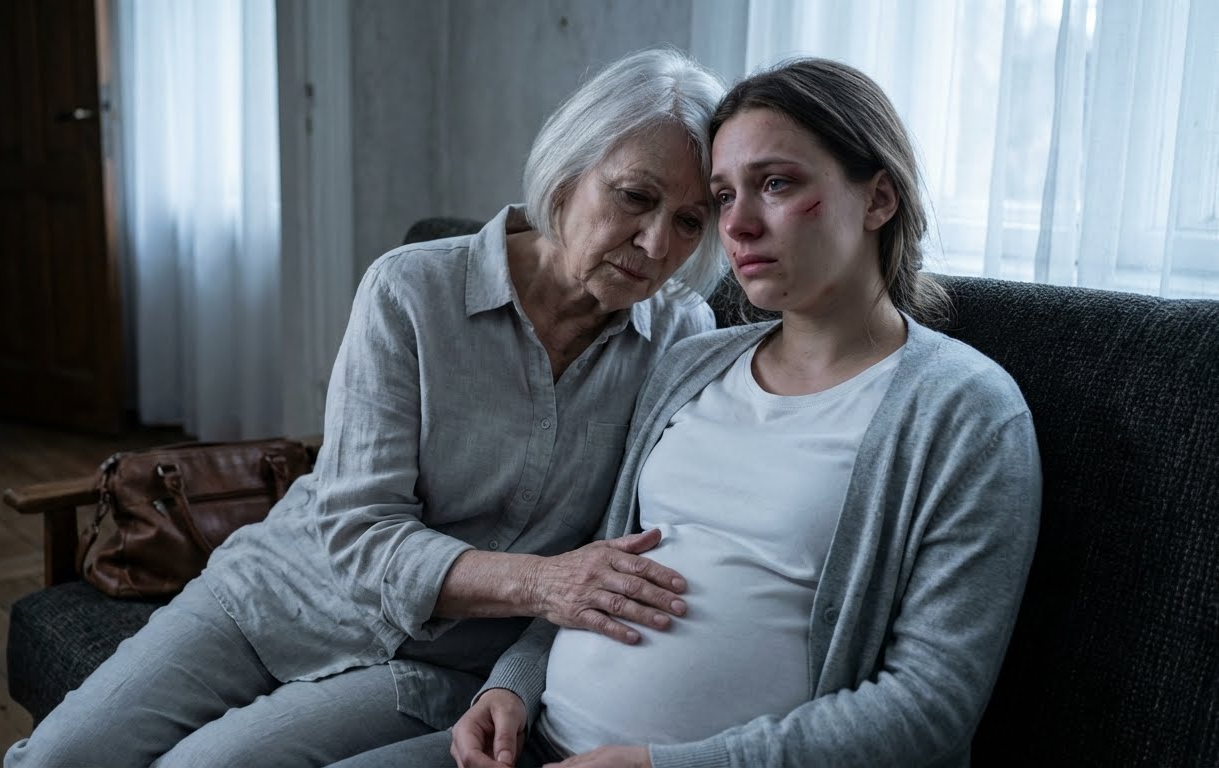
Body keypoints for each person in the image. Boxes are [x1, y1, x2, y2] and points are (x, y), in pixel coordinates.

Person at [3, 48, 726, 768]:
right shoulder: (411, 290)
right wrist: (543, 582)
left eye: (690, 221)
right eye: (635, 196)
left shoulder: (679, 339)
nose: (656, 244)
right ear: (568, 173)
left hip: (443, 658)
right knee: (58, 758)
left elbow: (614, 556)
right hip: (277, 593)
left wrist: (514, 680)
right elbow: (359, 527)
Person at [332, 57, 1042, 768]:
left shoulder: (963, 412)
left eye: (775, 184)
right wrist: (511, 688)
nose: (737, 225)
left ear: (878, 198)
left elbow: (929, 708)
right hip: (529, 741)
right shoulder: (690, 367)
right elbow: (601, 571)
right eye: (724, 196)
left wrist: (656, 766)